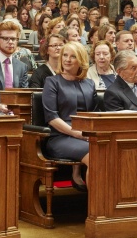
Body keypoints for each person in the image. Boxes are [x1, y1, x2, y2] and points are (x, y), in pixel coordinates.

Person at [42, 42, 98, 191]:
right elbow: (52, 117)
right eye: (65, 55)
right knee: (96, 155)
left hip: (85, 135)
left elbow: (93, 114)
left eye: (73, 56)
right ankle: (96, 210)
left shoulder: (89, 84)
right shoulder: (52, 82)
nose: (67, 59)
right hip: (60, 137)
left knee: (109, 148)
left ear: (81, 60)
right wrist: (77, 134)